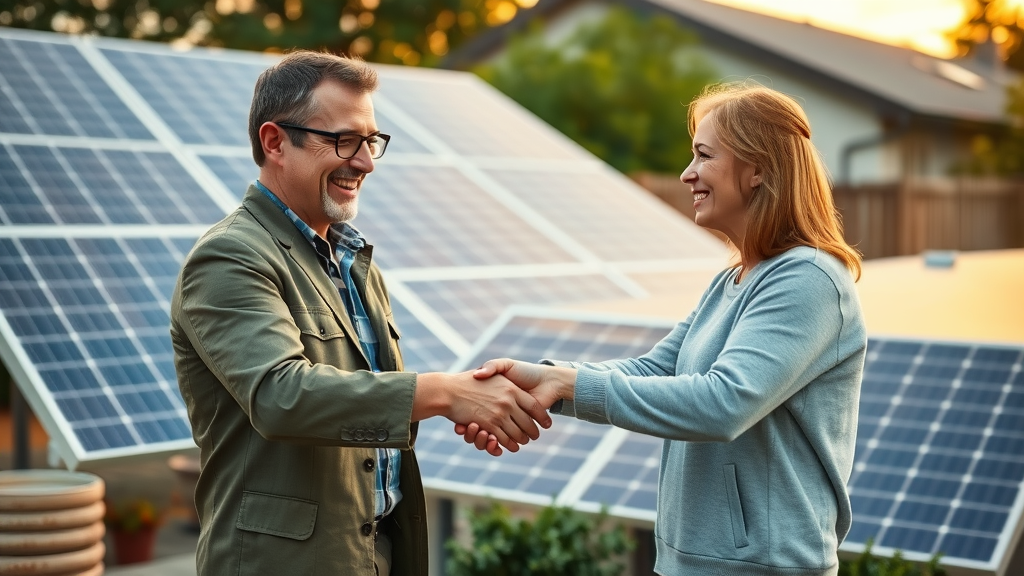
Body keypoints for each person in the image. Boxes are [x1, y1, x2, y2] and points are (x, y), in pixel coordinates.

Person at [461, 83, 867, 576]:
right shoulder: (731, 281)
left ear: (758, 168)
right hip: (686, 562)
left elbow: (724, 403)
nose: (687, 173)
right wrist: (547, 378)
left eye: (704, 155)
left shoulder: (809, 279)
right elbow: (656, 369)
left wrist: (569, 384)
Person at [169, 50, 549, 576]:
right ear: (275, 142)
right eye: (344, 140)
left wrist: (472, 402)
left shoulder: (352, 261)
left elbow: (362, 406)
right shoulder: (230, 257)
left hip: (373, 555)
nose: (366, 162)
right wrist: (446, 394)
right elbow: (281, 396)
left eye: (371, 142)